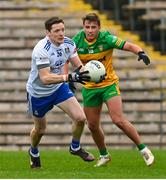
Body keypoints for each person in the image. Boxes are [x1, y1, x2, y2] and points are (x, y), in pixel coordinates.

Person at [72, 13, 154, 167]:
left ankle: (143, 149)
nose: (90, 30)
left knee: (118, 120)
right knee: (92, 125)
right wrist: (70, 77)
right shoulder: (76, 41)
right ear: (83, 27)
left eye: (93, 27)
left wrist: (140, 52)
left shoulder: (106, 39)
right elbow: (66, 57)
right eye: (87, 27)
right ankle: (104, 155)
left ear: (99, 27)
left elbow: (128, 45)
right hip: (89, 88)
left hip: (109, 84)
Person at [26, 16, 95, 169]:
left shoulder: (69, 43)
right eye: (56, 31)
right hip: (38, 93)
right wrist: (69, 77)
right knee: (41, 130)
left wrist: (91, 74)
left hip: (58, 88)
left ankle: (75, 147)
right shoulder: (41, 50)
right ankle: (34, 151)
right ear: (48, 33)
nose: (61, 33)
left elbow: (79, 67)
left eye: (62, 29)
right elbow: (45, 78)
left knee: (80, 118)